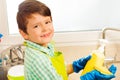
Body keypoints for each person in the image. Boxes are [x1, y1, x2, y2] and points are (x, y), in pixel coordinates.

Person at [16, 0, 116, 80]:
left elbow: (56, 72)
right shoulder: (38, 59)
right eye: (36, 26)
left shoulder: (44, 48)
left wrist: (76, 65)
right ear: (24, 33)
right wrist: (89, 78)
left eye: (47, 22)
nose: (45, 28)